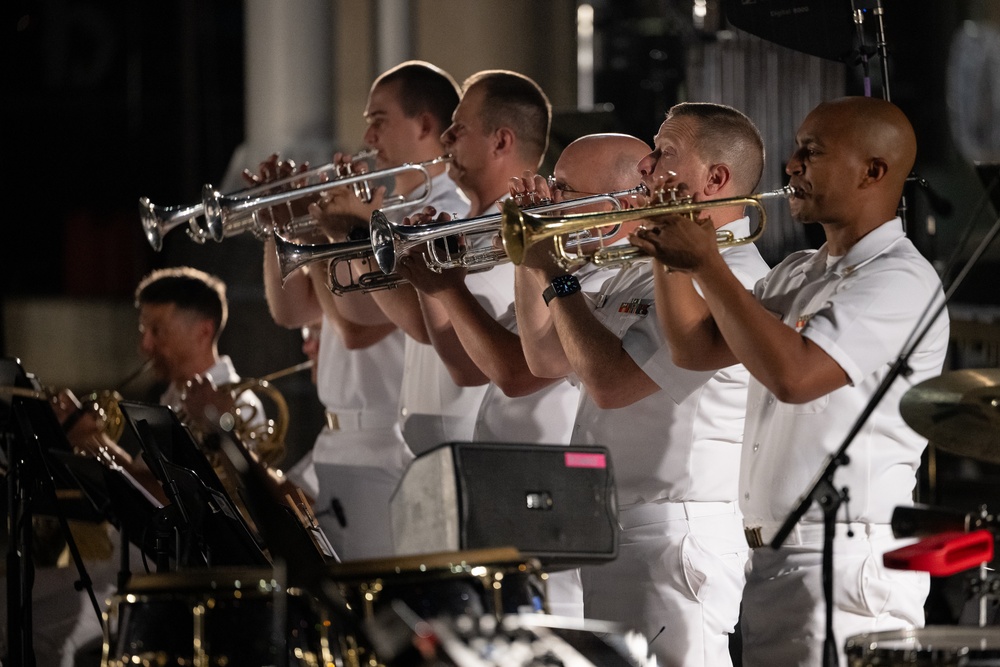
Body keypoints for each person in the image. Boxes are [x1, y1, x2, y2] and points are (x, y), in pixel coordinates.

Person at [630, 96, 949, 666]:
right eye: (796, 149)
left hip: (845, 563)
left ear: (873, 171)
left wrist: (706, 263)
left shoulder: (901, 277)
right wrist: (667, 243)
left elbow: (796, 375)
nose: (791, 165)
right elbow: (693, 347)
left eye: (811, 152)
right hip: (777, 560)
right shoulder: (800, 270)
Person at [515, 102, 769, 666]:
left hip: (675, 534)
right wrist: (532, 252)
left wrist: (556, 276)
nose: (649, 166)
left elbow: (609, 384)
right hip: (622, 526)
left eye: (666, 153)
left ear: (716, 180)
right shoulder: (644, 264)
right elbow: (546, 357)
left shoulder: (729, 277)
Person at [259, 60, 467, 560]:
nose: (367, 134)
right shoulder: (378, 212)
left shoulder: (446, 214)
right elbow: (290, 312)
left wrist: (332, 233)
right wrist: (282, 224)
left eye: (379, 119)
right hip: (336, 437)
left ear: (424, 125)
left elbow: (355, 328)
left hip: (386, 443)